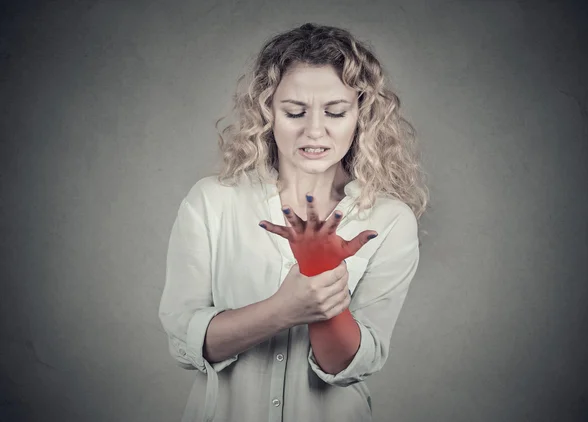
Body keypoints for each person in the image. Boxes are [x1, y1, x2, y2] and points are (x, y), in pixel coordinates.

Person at [159, 22, 429, 422]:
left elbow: (345, 366)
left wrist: (320, 273)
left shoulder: (389, 221)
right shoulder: (213, 202)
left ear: (362, 115)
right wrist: (283, 309)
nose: (314, 130)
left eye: (336, 111)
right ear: (267, 111)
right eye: (295, 111)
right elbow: (186, 341)